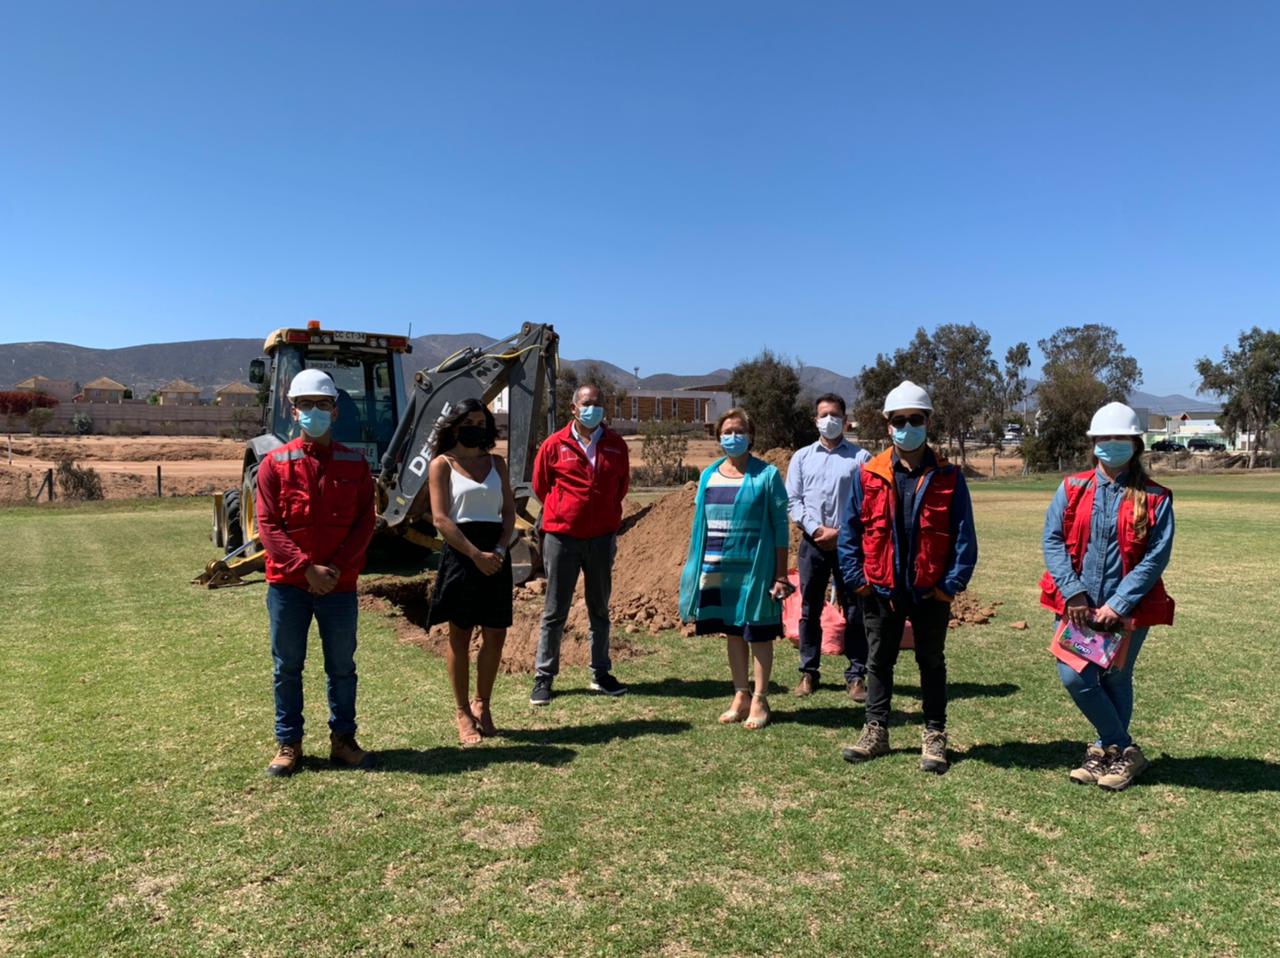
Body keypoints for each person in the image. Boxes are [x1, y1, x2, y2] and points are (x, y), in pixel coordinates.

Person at [838, 381, 977, 774]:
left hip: (930, 590)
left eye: (915, 419)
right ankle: (876, 731)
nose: (907, 426)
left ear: (928, 422)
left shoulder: (949, 476)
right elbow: (850, 532)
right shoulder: (869, 475)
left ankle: (934, 736)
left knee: (931, 661)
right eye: (899, 420)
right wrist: (857, 579)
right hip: (880, 589)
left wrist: (950, 586)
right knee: (878, 661)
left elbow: (964, 535)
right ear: (888, 426)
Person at [1040, 401, 1175, 791]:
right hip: (1076, 608)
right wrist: (1074, 593)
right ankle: (1125, 748)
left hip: (1126, 611)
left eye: (1120, 437)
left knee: (1116, 679)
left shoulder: (1156, 497)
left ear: (1135, 443)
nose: (1112, 443)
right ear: (1094, 442)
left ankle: (1105, 753)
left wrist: (1119, 604)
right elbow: (1053, 541)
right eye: (1104, 437)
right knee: (1074, 676)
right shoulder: (1072, 487)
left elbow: (1155, 557)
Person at [256, 368, 377, 777]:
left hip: (339, 587)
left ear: (335, 411)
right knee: (287, 666)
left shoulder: (355, 464)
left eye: (321, 405)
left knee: (342, 666)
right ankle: (289, 743)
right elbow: (268, 526)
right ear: (293, 412)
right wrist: (305, 569)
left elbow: (365, 522)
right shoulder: (274, 465)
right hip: (289, 586)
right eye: (306, 405)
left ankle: (343, 740)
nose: (313, 412)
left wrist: (335, 569)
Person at [679, 408, 792, 730]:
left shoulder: (767, 475)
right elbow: (700, 523)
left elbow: (780, 527)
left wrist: (781, 573)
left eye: (739, 430)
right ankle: (740, 695)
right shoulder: (709, 475)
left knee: (757, 632)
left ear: (751, 435)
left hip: (756, 569)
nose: (733, 436)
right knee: (731, 631)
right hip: (719, 567)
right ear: (718, 437)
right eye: (726, 432)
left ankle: (760, 698)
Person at [529, 383, 631, 705]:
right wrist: (568, 513)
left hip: (601, 539)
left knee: (599, 609)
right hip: (562, 539)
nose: (593, 408)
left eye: (598, 403)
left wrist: (599, 516)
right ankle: (544, 678)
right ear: (574, 408)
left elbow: (621, 488)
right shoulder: (553, 445)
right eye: (587, 403)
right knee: (554, 611)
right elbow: (540, 487)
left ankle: (601, 673)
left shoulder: (616, 445)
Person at [427, 398, 516, 745]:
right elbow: (440, 519)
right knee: (460, 636)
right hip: (462, 555)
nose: (476, 427)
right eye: (469, 421)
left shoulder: (497, 463)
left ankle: (483, 704)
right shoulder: (442, 465)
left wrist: (498, 549)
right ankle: (462, 711)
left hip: (495, 553)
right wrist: (474, 554)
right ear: (454, 425)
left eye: (481, 422)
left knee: (496, 634)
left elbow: (509, 512)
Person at [785, 393, 872, 701]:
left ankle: (856, 676)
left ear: (845, 420)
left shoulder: (861, 459)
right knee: (809, 609)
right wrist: (816, 529)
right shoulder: (801, 458)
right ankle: (809, 673)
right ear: (815, 420)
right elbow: (792, 501)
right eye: (824, 414)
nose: (829, 420)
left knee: (855, 610)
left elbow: (869, 503)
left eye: (835, 414)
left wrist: (842, 533)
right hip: (813, 545)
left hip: (849, 546)